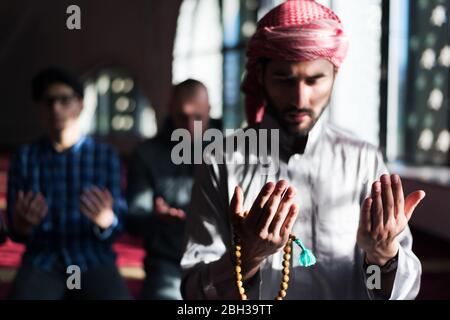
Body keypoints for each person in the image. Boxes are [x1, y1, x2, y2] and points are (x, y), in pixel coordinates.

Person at [181, 0, 425, 300]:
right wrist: (246, 261)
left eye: (314, 79)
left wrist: (382, 258)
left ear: (334, 75)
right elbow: (194, 293)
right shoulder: (222, 160)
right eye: (285, 79)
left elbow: (387, 293)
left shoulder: (363, 161)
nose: (300, 97)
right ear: (261, 76)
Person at [7, 67, 130, 299]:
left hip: (92, 256)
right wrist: (22, 225)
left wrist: (106, 221)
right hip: (43, 258)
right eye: (49, 101)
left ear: (80, 104)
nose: (56, 108)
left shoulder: (105, 157)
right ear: (40, 109)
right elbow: (16, 230)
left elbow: (119, 223)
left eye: (64, 100)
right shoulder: (24, 158)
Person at [126, 79, 221, 299]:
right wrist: (156, 219)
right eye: (182, 117)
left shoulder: (229, 153)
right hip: (167, 262)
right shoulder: (146, 154)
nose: (189, 128)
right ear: (170, 110)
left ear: (209, 111)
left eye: (197, 118)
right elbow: (133, 220)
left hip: (219, 262)